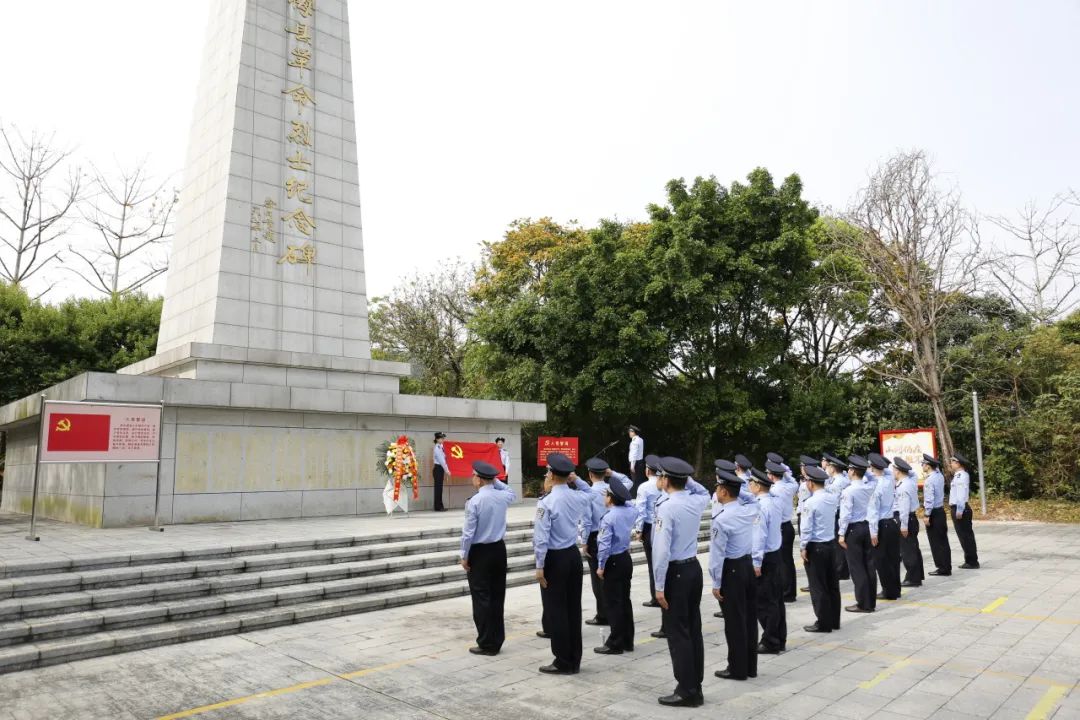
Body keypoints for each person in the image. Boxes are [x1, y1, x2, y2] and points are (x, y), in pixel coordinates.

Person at [652, 457, 711, 707]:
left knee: (678, 634)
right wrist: (688, 479)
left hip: (675, 573)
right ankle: (694, 685)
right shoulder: (694, 500)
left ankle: (686, 690)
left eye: (660, 476)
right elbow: (704, 491)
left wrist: (658, 585)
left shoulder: (666, 507)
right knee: (692, 629)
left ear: (666, 479)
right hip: (692, 569)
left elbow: (662, 550)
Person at [533, 453, 594, 674]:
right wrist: (575, 479)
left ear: (550, 474)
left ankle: (562, 660)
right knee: (572, 609)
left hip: (554, 558)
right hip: (572, 556)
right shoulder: (577, 496)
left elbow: (541, 538)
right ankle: (574, 658)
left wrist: (539, 566)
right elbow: (591, 491)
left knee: (556, 610)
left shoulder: (547, 502)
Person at [460, 460, 517, 655]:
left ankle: (486, 642)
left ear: (478, 479)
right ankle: (497, 639)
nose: (472, 478)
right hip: (499, 550)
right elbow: (511, 491)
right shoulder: (503, 496)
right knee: (497, 596)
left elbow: (468, 533)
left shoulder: (474, 501)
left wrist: (464, 555)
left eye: (474, 475)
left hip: (480, 552)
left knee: (481, 597)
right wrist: (495, 481)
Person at [710, 470, 759, 681]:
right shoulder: (748, 510)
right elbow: (751, 498)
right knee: (748, 618)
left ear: (723, 491)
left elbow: (717, 554)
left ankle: (736, 668)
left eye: (717, 489)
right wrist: (740, 491)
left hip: (731, 571)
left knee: (734, 622)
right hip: (747, 566)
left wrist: (716, 582)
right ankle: (749, 666)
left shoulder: (721, 518)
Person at [595, 479, 636, 654]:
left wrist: (600, 566)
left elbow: (604, 545)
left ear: (611, 498)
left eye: (606, 495)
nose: (604, 497)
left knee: (613, 603)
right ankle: (627, 640)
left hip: (612, 561)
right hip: (625, 558)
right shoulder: (630, 511)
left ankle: (615, 643)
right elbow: (628, 503)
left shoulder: (609, 517)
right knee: (625, 601)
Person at [800, 465, 841, 633]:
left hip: (816, 547)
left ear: (810, 483)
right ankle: (834, 620)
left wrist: (803, 546)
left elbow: (807, 528)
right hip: (831, 544)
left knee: (818, 586)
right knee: (832, 584)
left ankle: (823, 622)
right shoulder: (831, 498)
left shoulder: (810, 502)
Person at [838, 455, 877, 613]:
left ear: (853, 471)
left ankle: (862, 603)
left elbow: (845, 515)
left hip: (853, 530)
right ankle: (870, 602)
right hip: (867, 527)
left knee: (857, 568)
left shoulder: (849, 491)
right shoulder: (870, 486)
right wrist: (865, 470)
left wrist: (841, 534)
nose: (848, 471)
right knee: (869, 566)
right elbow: (873, 477)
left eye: (850, 469)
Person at [755, 465, 787, 654]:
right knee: (776, 600)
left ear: (758, 486)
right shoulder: (774, 502)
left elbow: (759, 535)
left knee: (765, 601)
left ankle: (770, 640)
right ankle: (778, 638)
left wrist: (756, 561)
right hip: (775, 554)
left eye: (751, 483)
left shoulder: (760, 506)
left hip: (765, 557)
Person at [583, 457, 616, 627]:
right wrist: (613, 474)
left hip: (595, 536)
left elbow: (587, 520)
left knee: (598, 577)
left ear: (590, 474)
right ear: (605, 473)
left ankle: (603, 614)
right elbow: (627, 482)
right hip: (611, 534)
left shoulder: (589, 493)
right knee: (609, 574)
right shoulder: (612, 488)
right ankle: (611, 611)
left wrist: (584, 542)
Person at [868, 452, 902, 600]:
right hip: (892, 523)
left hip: (881, 525)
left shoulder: (875, 486)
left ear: (871, 467)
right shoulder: (888, 479)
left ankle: (888, 591)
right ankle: (896, 589)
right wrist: (883, 464)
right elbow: (886, 470)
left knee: (881, 561)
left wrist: (873, 532)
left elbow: (873, 511)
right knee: (893, 559)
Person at [766, 453, 799, 604]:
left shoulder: (774, 490)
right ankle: (790, 591)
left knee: (781, 562)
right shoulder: (790, 486)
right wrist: (784, 469)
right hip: (787, 526)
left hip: (779, 527)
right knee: (788, 561)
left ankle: (785, 592)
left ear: (772, 476)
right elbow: (793, 480)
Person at [634, 454, 664, 608]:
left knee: (653, 563)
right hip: (662, 525)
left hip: (649, 526)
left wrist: (638, 530)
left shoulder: (644, 487)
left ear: (647, 470)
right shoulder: (664, 484)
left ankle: (655, 596)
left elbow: (640, 510)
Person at [893, 457, 925, 587]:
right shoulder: (910, 481)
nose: (893, 472)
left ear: (899, 471)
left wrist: (903, 525)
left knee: (908, 551)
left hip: (906, 519)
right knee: (913, 548)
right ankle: (917, 575)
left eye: (894, 469)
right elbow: (912, 473)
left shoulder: (903, 486)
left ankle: (913, 578)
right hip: (912, 518)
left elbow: (904, 508)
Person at [922, 454, 952, 576]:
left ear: (928, 466)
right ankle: (946, 566)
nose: (922, 466)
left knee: (935, 542)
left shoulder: (929, 480)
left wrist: (926, 514)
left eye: (923, 464)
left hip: (933, 512)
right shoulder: (939, 476)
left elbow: (929, 499)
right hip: (940, 511)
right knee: (943, 541)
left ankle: (942, 568)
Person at [949, 452, 980, 569]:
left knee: (966, 536)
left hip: (960, 508)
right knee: (964, 535)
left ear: (958, 463)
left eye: (952, 462)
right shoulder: (958, 475)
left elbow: (961, 495)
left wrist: (959, 510)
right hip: (957, 507)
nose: (951, 464)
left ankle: (972, 561)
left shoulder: (962, 476)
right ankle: (969, 559)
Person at [823, 453, 851, 581]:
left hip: (838, 513)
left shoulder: (836, 483)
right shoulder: (844, 479)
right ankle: (843, 569)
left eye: (828, 466)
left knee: (838, 544)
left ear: (833, 468)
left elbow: (833, 502)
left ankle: (841, 570)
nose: (826, 468)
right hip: (843, 512)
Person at [796, 455, 820, 594]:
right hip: (807, 514)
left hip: (805, 516)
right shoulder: (808, 481)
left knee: (808, 551)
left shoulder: (806, 485)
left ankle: (813, 582)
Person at [432, 432, 451, 511]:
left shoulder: (441, 447)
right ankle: (438, 507)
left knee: (439, 488)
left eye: (443, 438)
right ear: (437, 439)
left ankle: (440, 506)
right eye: (441, 438)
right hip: (438, 468)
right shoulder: (437, 448)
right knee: (438, 488)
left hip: (440, 469)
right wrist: (447, 470)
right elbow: (442, 461)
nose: (443, 439)